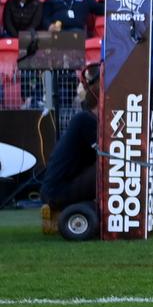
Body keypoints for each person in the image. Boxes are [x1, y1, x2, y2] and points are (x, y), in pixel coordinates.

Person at [40, 64, 100, 216]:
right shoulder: (86, 120)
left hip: (61, 188)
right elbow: (107, 155)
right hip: (57, 193)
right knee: (109, 168)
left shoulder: (85, 119)